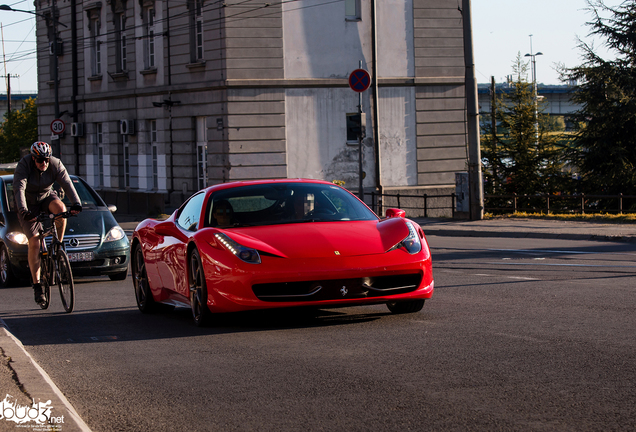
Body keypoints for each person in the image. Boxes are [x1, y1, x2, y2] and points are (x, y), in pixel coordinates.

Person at [14, 142, 82, 305]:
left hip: (46, 197)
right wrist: (23, 210)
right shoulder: (24, 165)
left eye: (46, 159)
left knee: (60, 209)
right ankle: (37, 285)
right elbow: (19, 189)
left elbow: (67, 183)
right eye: (39, 160)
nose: (43, 163)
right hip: (28, 204)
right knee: (35, 242)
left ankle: (57, 243)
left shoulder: (55, 164)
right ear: (33, 158)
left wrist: (77, 203)